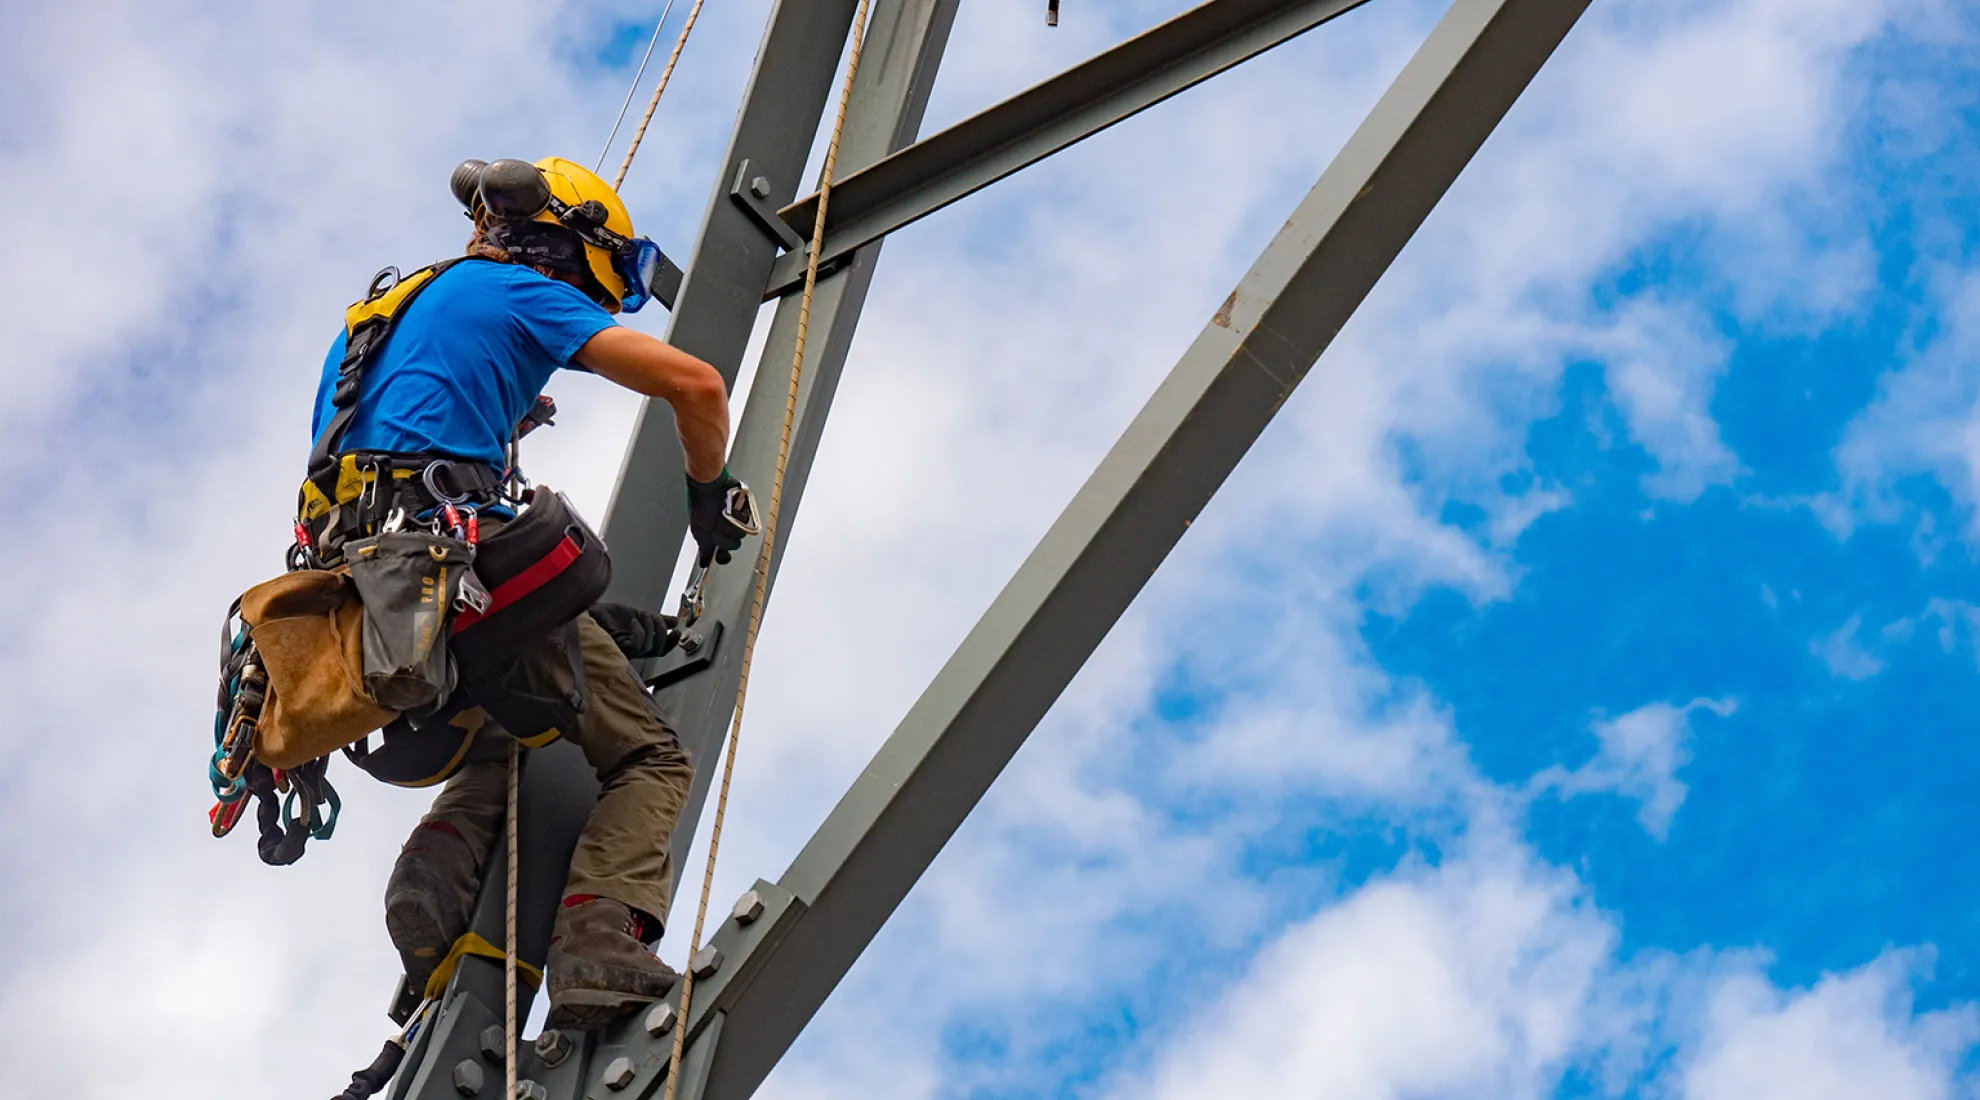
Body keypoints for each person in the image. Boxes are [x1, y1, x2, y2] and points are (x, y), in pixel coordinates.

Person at [303, 156, 741, 1031]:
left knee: (514, 730)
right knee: (651, 759)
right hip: (443, 556)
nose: (586, 299)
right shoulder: (519, 294)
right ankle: (598, 943)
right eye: (593, 281)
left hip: (368, 580)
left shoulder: (389, 317)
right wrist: (707, 491)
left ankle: (434, 874)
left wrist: (596, 627)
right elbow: (696, 385)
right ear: (567, 248)